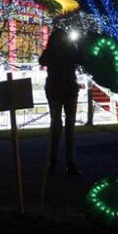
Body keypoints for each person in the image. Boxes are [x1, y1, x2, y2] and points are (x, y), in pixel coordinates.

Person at [39, 28, 82, 176]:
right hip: (59, 90)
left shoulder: (65, 52)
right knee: (59, 126)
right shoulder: (60, 52)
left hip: (64, 90)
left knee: (66, 126)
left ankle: (65, 161)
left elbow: (79, 58)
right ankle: (59, 161)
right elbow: (42, 60)